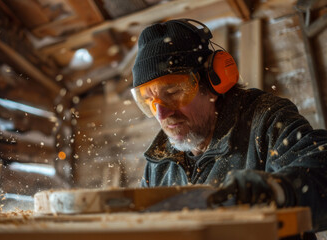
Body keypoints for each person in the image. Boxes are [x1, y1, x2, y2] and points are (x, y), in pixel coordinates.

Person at [130, 18, 327, 233]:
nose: (161, 113)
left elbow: (321, 170)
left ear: (214, 81)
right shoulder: (159, 162)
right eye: (149, 101)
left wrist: (277, 190)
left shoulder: (266, 121)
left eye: (173, 92)